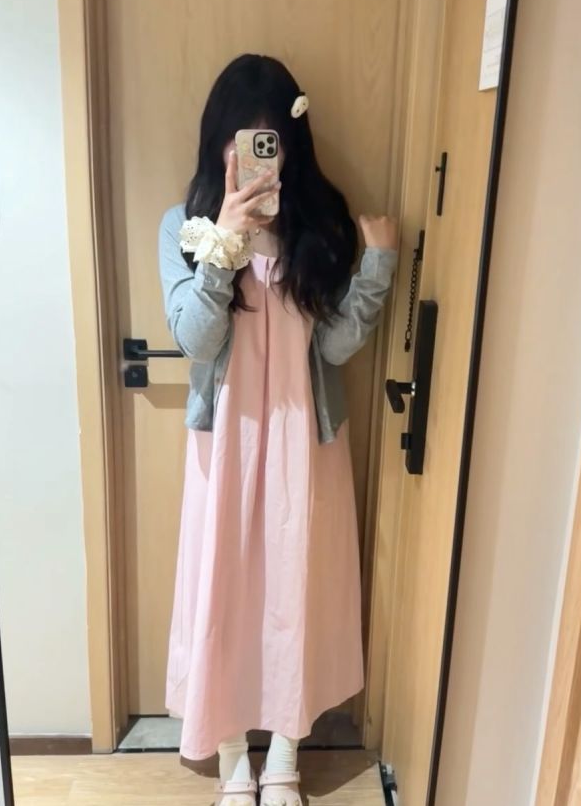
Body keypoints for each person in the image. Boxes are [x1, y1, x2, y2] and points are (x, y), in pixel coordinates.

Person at [158, 53, 398, 806]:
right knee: (223, 588)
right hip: (226, 442)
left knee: (295, 585)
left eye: (273, 141)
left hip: (302, 439)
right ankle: (233, 757)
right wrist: (224, 245)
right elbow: (196, 338)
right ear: (220, 143)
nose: (262, 156)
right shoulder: (183, 226)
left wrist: (377, 265)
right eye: (246, 139)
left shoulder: (316, 225)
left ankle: (286, 752)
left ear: (293, 144)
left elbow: (333, 346)